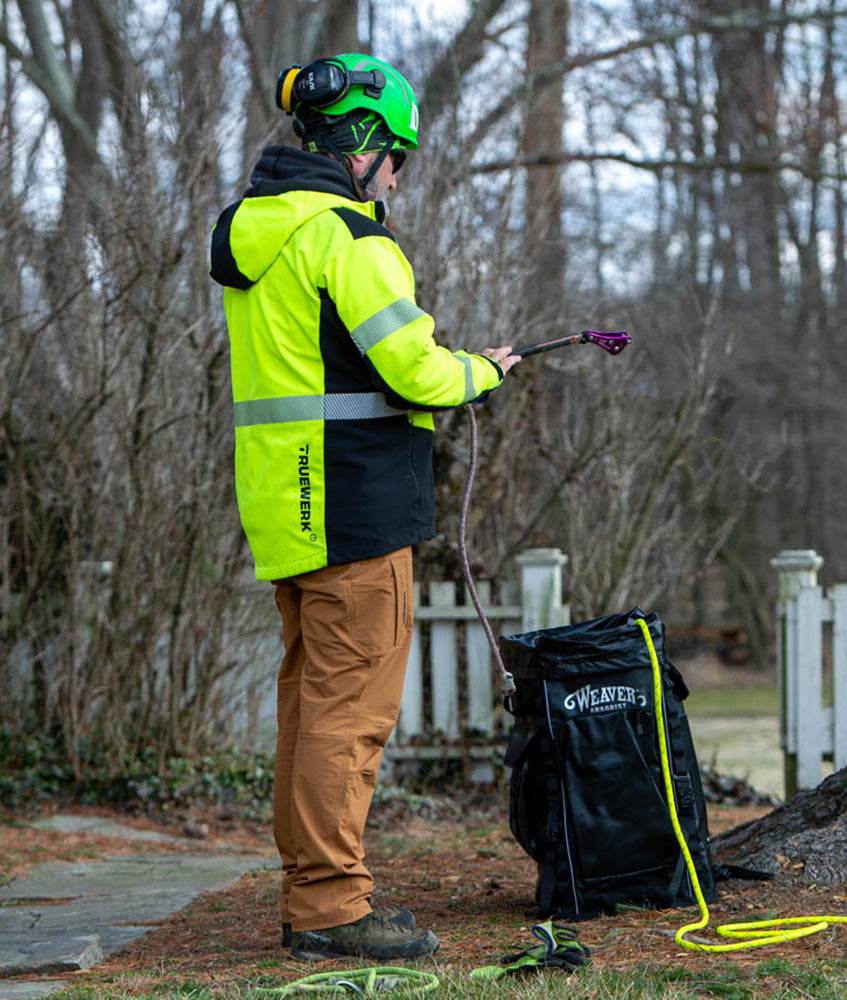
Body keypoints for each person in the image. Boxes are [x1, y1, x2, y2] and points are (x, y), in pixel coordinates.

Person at [209, 54, 519, 962]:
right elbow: (415, 368)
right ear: (361, 148)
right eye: (398, 157)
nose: (398, 177)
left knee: (311, 709)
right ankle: (332, 909)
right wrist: (485, 371)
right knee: (349, 716)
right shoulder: (348, 238)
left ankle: (313, 892)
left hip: (289, 509)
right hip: (360, 510)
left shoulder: (257, 234)